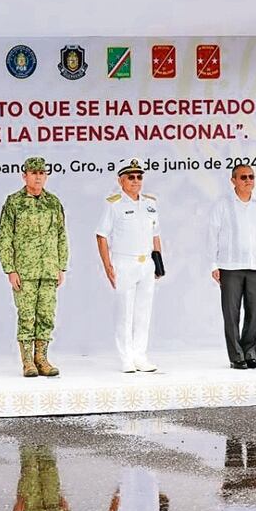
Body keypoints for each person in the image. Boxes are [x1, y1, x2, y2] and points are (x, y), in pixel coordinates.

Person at [0, 157, 68, 377]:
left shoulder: (53, 202)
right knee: (27, 316)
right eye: (33, 172)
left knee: (46, 315)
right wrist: (10, 269)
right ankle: (27, 362)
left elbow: (61, 235)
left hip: (48, 270)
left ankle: (42, 359)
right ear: (24, 175)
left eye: (41, 173)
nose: (38, 176)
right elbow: (4, 238)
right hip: (25, 272)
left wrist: (61, 266)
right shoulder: (14, 203)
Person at [95, 158, 163, 373]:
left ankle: (140, 355)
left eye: (139, 177)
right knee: (125, 312)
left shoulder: (151, 203)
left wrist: (159, 263)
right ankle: (126, 357)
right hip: (124, 262)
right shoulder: (114, 204)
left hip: (146, 262)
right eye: (131, 177)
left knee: (144, 312)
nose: (136, 181)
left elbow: (156, 234)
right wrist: (107, 266)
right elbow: (101, 235)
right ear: (121, 180)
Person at [208, 165, 256, 370]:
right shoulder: (223, 205)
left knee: (255, 313)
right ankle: (236, 356)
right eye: (243, 177)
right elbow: (213, 235)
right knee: (231, 313)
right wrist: (214, 263)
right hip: (230, 267)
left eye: (251, 177)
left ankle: (250, 353)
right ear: (233, 180)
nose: (248, 180)